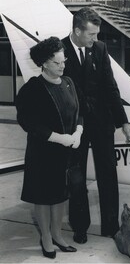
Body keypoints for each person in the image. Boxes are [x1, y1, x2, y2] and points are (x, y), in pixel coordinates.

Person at [61, 7, 130, 244]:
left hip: (101, 123)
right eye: (91, 35)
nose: (95, 39)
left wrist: (123, 122)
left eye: (97, 34)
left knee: (108, 174)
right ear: (77, 31)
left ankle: (110, 226)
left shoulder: (100, 49)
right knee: (76, 178)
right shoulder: (59, 49)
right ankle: (80, 227)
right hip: (74, 125)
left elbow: (110, 87)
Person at [16, 37, 82, 259]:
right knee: (43, 196)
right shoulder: (33, 88)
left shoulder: (69, 83)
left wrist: (78, 132)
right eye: (58, 63)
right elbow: (29, 122)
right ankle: (46, 237)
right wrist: (58, 138)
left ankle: (57, 234)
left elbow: (78, 110)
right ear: (44, 63)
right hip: (42, 153)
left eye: (64, 61)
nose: (63, 66)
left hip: (65, 152)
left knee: (61, 194)